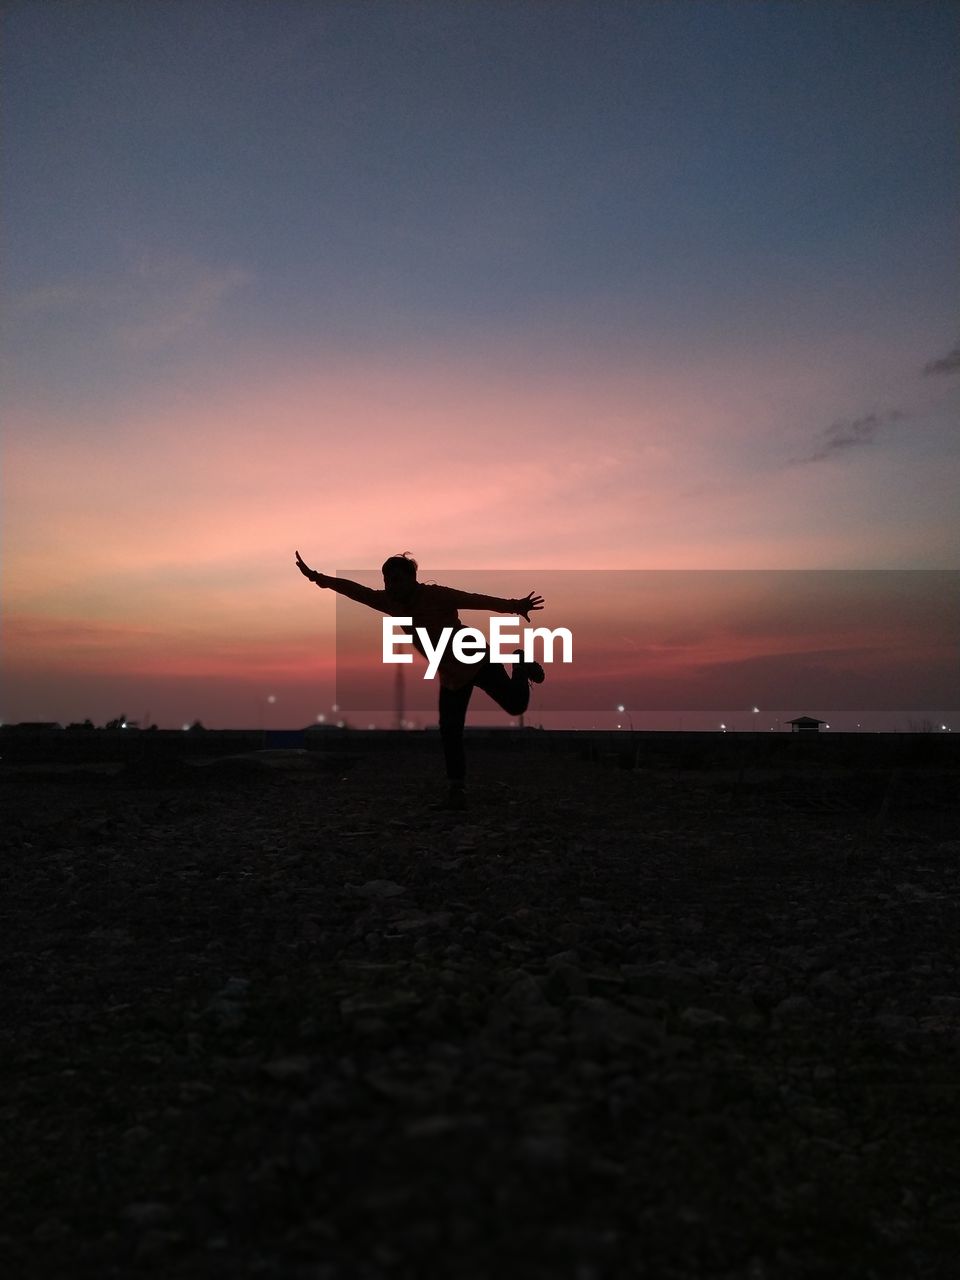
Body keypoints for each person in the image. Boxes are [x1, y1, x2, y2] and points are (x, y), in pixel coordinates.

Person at [295, 551, 545, 807]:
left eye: (397, 580)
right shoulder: (390, 602)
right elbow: (356, 591)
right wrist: (318, 578)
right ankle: (456, 791)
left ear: (412, 579)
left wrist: (516, 606)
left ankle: (521, 664)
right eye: (387, 581)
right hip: (450, 673)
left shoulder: (436, 595)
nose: (391, 586)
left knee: (515, 705)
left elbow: (475, 600)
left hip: (475, 657)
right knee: (450, 729)